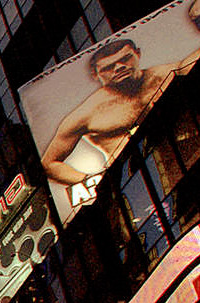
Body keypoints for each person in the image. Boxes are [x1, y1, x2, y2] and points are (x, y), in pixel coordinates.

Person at [40, 34, 200, 192]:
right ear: (95, 75)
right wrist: (91, 182)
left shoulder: (167, 72)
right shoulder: (87, 113)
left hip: (190, 149)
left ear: (138, 54)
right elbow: (48, 164)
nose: (119, 67)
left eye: (125, 59)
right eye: (109, 67)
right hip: (136, 181)